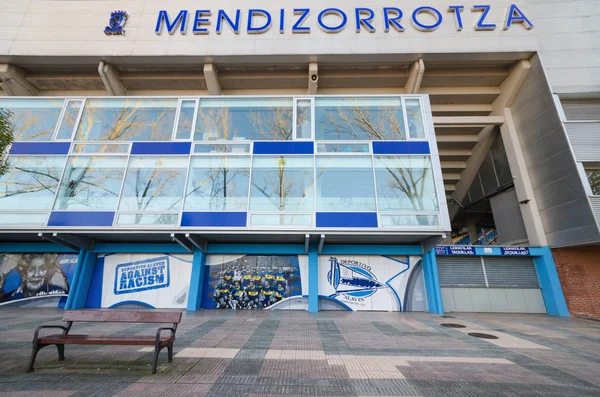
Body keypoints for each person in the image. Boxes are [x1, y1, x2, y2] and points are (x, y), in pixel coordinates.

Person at [0, 253, 68, 303]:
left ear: (48, 272)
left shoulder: (60, 293)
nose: (36, 275)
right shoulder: (10, 298)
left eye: (42, 269)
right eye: (31, 269)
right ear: (24, 273)